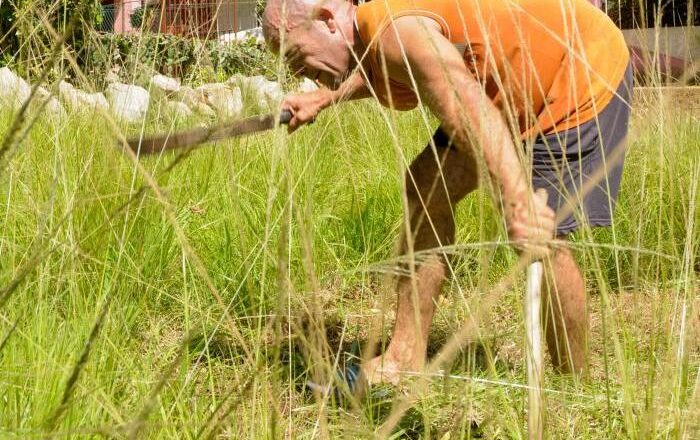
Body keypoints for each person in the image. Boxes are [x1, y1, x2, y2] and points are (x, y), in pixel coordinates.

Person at [262, 0, 632, 385]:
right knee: (425, 188)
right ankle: (404, 358)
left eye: (296, 55)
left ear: (328, 21)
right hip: (510, 85)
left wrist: (517, 199)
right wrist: (327, 97)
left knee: (544, 232)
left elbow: (465, 105)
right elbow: (392, 69)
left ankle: (574, 384)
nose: (296, 71)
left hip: (575, 65)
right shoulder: (378, 38)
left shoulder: (392, 30)